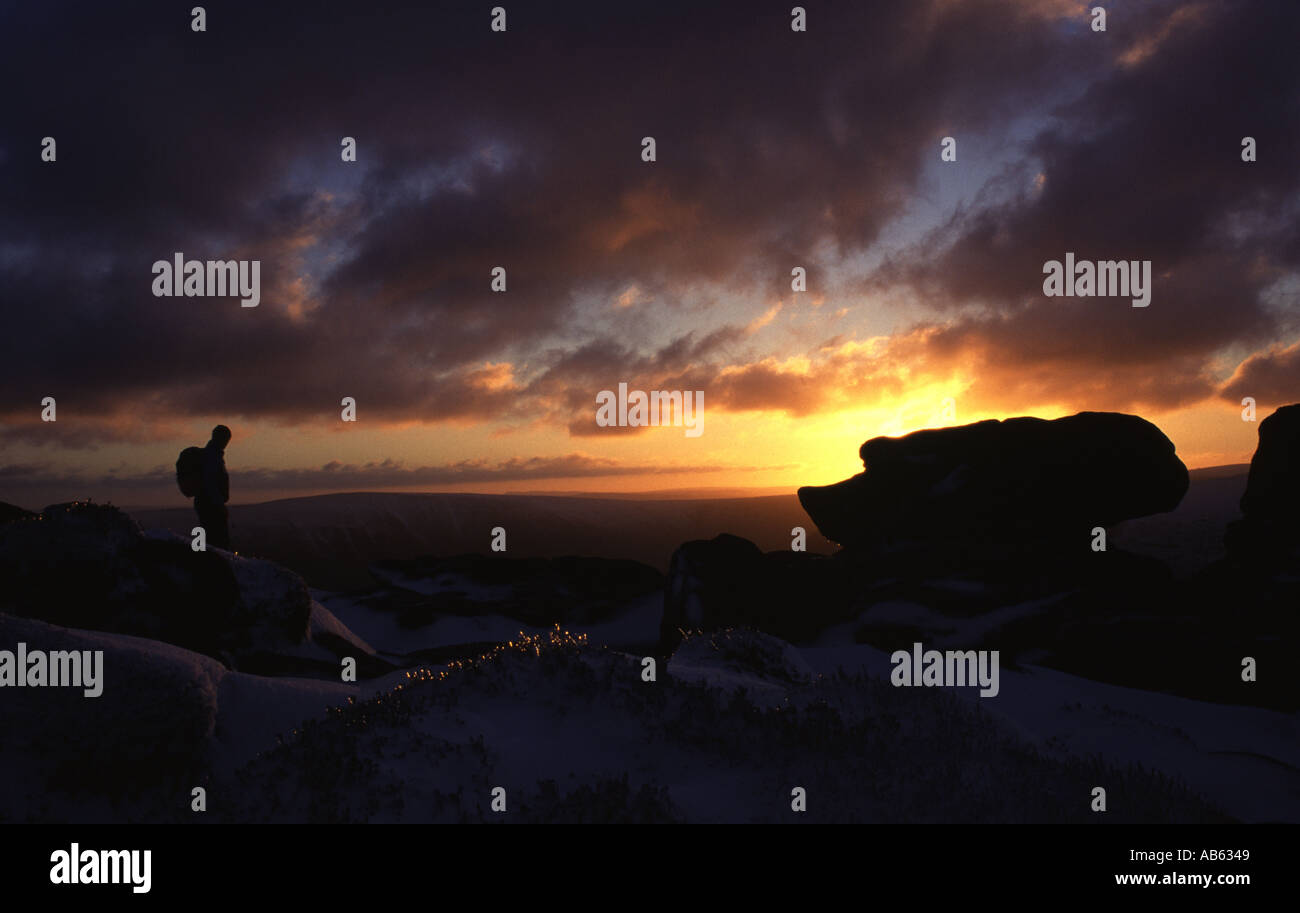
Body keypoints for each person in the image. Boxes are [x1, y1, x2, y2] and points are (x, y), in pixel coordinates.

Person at [196, 424, 232, 549]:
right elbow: (210, 482)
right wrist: (220, 506)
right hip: (211, 504)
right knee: (217, 543)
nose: (226, 443)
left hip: (207, 503)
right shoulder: (213, 456)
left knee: (211, 540)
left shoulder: (212, 454)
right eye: (226, 439)